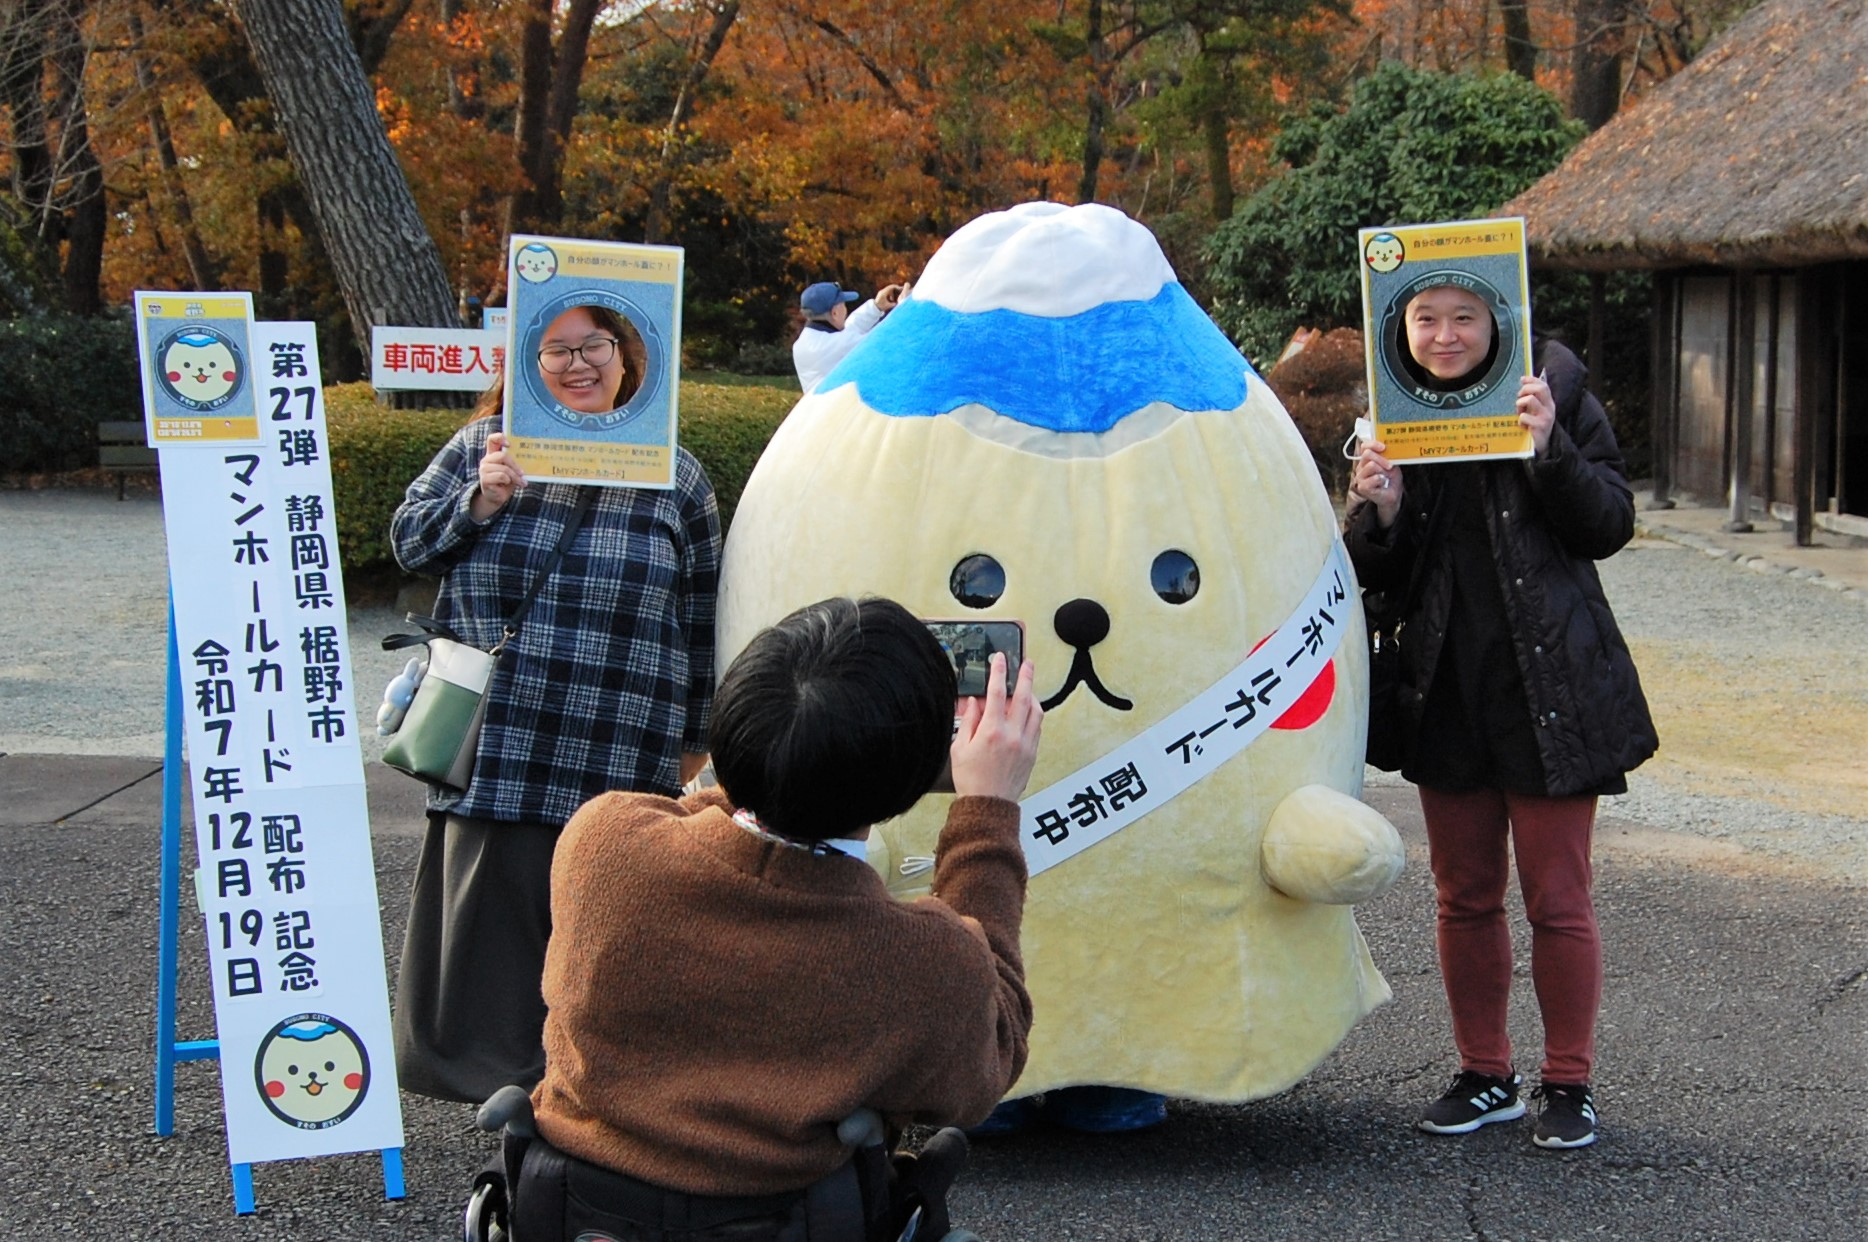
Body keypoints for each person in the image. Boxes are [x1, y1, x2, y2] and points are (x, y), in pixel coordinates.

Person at [527, 596, 1043, 1224]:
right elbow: (996, 1040)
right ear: (915, 778)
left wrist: (790, 740)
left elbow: (707, 823)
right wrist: (987, 807)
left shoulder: (601, 842)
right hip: (793, 1217)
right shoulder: (922, 964)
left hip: (573, 1210)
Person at [1345, 282, 1657, 1150]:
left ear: (1499, 321)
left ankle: (1569, 1080)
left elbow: (1608, 525)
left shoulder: (1558, 395)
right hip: (1446, 687)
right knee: (1464, 897)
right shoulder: (1398, 415)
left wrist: (1549, 443)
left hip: (1552, 683)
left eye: (1464, 318)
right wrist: (1381, 508)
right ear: (1402, 328)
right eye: (1425, 319)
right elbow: (1379, 573)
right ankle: (1486, 1072)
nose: (1445, 337)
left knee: (1559, 898)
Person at [389, 301, 722, 1104]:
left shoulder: (678, 475)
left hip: (625, 733)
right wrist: (481, 500)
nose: (577, 364)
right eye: (554, 351)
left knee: (607, 920)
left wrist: (697, 735)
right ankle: (500, 1092)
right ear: (526, 366)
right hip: (502, 734)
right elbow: (406, 541)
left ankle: (597, 1084)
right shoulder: (484, 447)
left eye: (594, 345)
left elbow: (704, 614)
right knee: (494, 928)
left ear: (626, 354)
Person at [792, 279, 907, 393]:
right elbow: (882, 339)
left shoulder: (803, 343)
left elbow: (849, 331)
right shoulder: (839, 345)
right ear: (835, 313)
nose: (846, 309)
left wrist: (876, 306)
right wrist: (904, 308)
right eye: (843, 305)